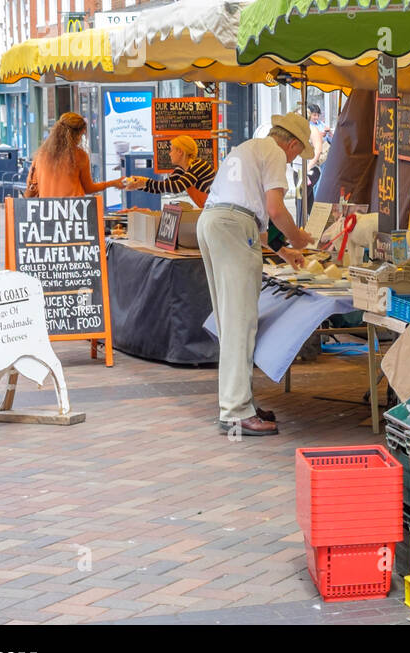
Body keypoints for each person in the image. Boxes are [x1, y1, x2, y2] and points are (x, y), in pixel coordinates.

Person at [198, 114, 315, 437]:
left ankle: (238, 402)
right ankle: (235, 411)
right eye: (297, 154)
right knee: (240, 321)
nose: (292, 160)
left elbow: (251, 214)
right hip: (233, 227)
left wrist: (282, 250)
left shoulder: (247, 148)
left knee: (229, 320)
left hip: (213, 222)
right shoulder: (275, 153)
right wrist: (297, 237)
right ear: (291, 143)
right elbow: (274, 209)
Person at [25, 112, 124, 198]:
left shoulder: (41, 154)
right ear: (77, 134)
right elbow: (88, 188)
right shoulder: (79, 155)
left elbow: (31, 188)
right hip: (74, 212)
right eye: (81, 135)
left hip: (47, 212)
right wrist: (113, 183)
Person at [122, 134, 215, 207]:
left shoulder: (198, 165)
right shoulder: (181, 169)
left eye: (171, 150)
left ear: (180, 152)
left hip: (216, 209)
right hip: (207, 209)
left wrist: (146, 181)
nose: (169, 154)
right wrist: (139, 185)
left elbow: (177, 187)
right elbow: (162, 188)